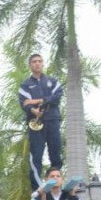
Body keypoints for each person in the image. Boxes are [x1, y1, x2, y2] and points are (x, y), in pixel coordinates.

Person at [18, 53, 63, 188]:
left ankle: (56, 184)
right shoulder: (25, 85)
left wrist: (37, 100)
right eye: (34, 61)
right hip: (36, 123)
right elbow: (24, 103)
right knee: (36, 156)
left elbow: (57, 97)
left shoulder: (53, 81)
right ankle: (37, 188)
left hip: (53, 120)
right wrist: (33, 110)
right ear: (30, 65)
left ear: (43, 63)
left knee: (55, 153)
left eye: (39, 61)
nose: (37, 63)